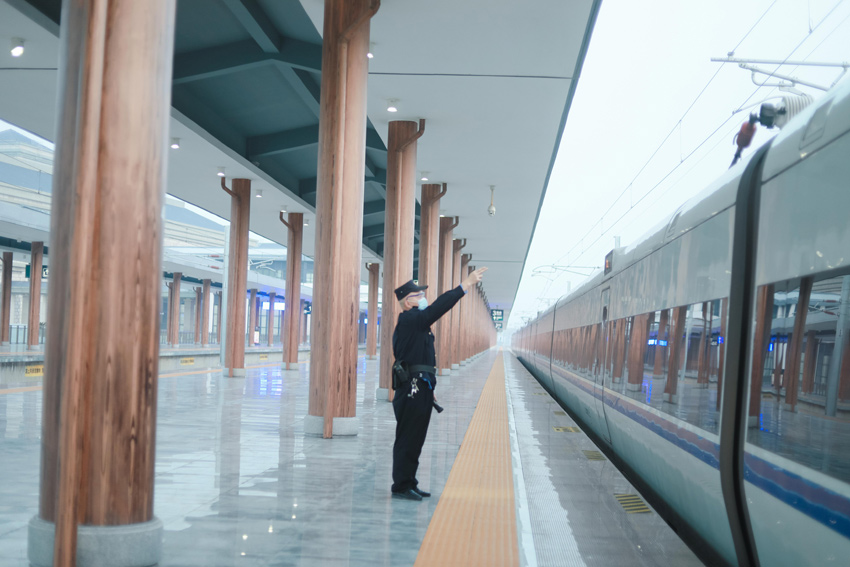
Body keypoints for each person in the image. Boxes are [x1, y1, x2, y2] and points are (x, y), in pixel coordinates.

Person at [391, 266, 488, 501]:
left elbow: (421, 361)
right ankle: (401, 485)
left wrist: (430, 388)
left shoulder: (418, 326)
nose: (424, 298)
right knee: (408, 438)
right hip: (411, 390)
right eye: (418, 295)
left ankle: (409, 482)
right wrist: (464, 286)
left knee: (416, 439)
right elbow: (438, 308)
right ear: (407, 302)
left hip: (420, 388)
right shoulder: (410, 320)